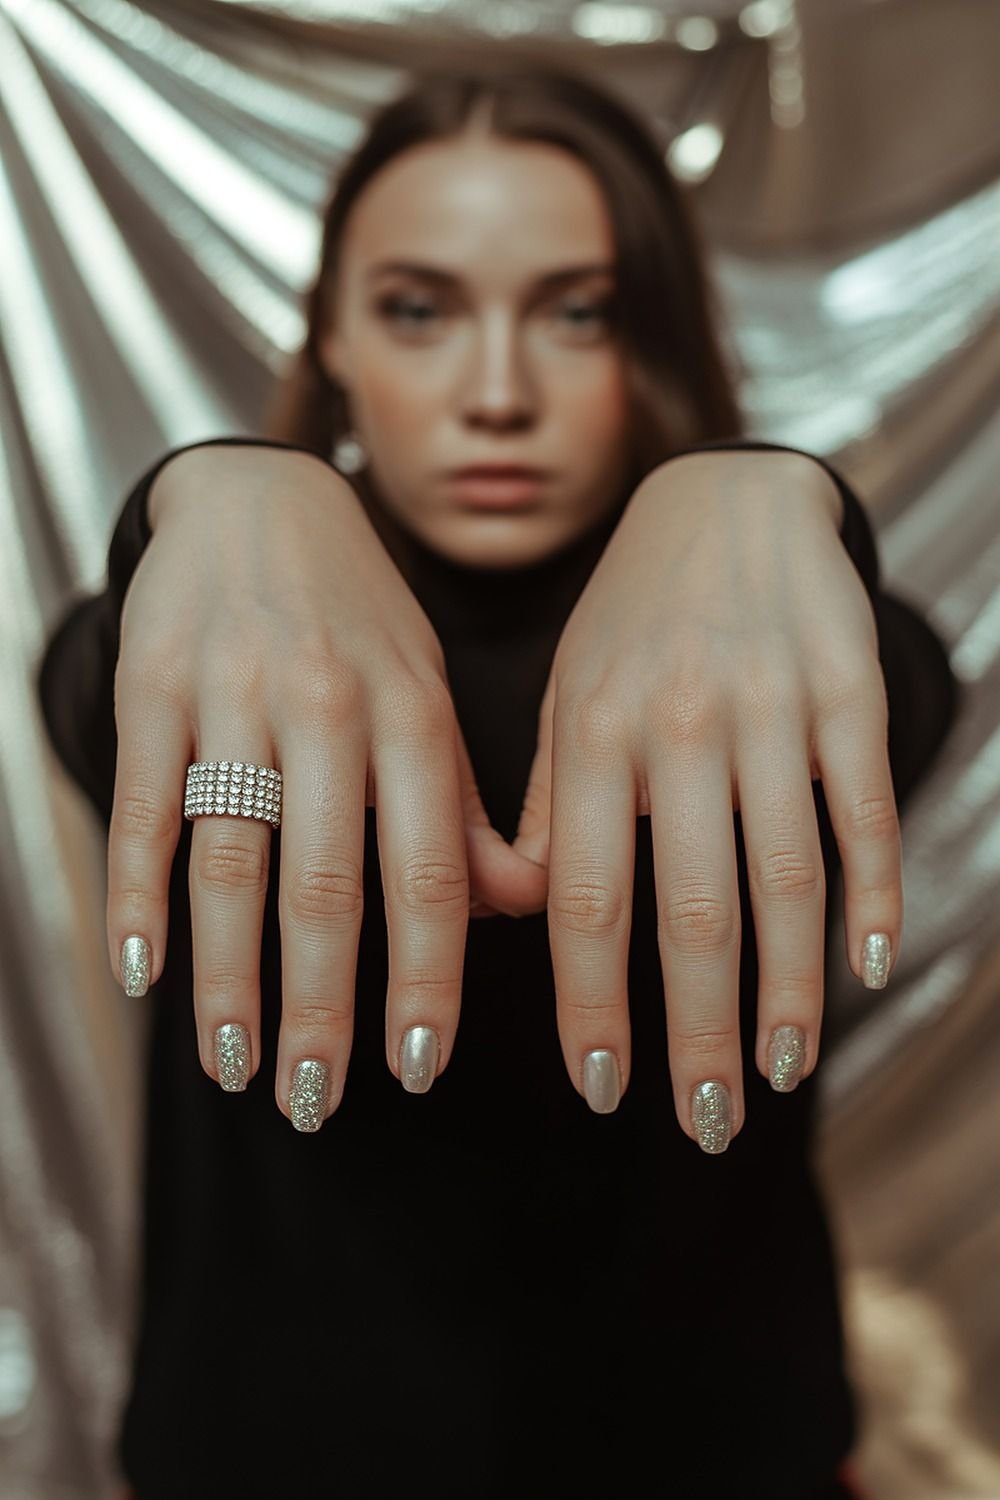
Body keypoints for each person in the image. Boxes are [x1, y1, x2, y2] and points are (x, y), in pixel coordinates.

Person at [36, 64, 959, 1498]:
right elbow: (100, 689)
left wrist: (785, 497)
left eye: (576, 312)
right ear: (332, 336)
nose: (496, 393)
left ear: (651, 331)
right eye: (420, 309)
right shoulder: (225, 644)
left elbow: (895, 689)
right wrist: (205, 494)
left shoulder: (772, 650)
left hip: (725, 1462)